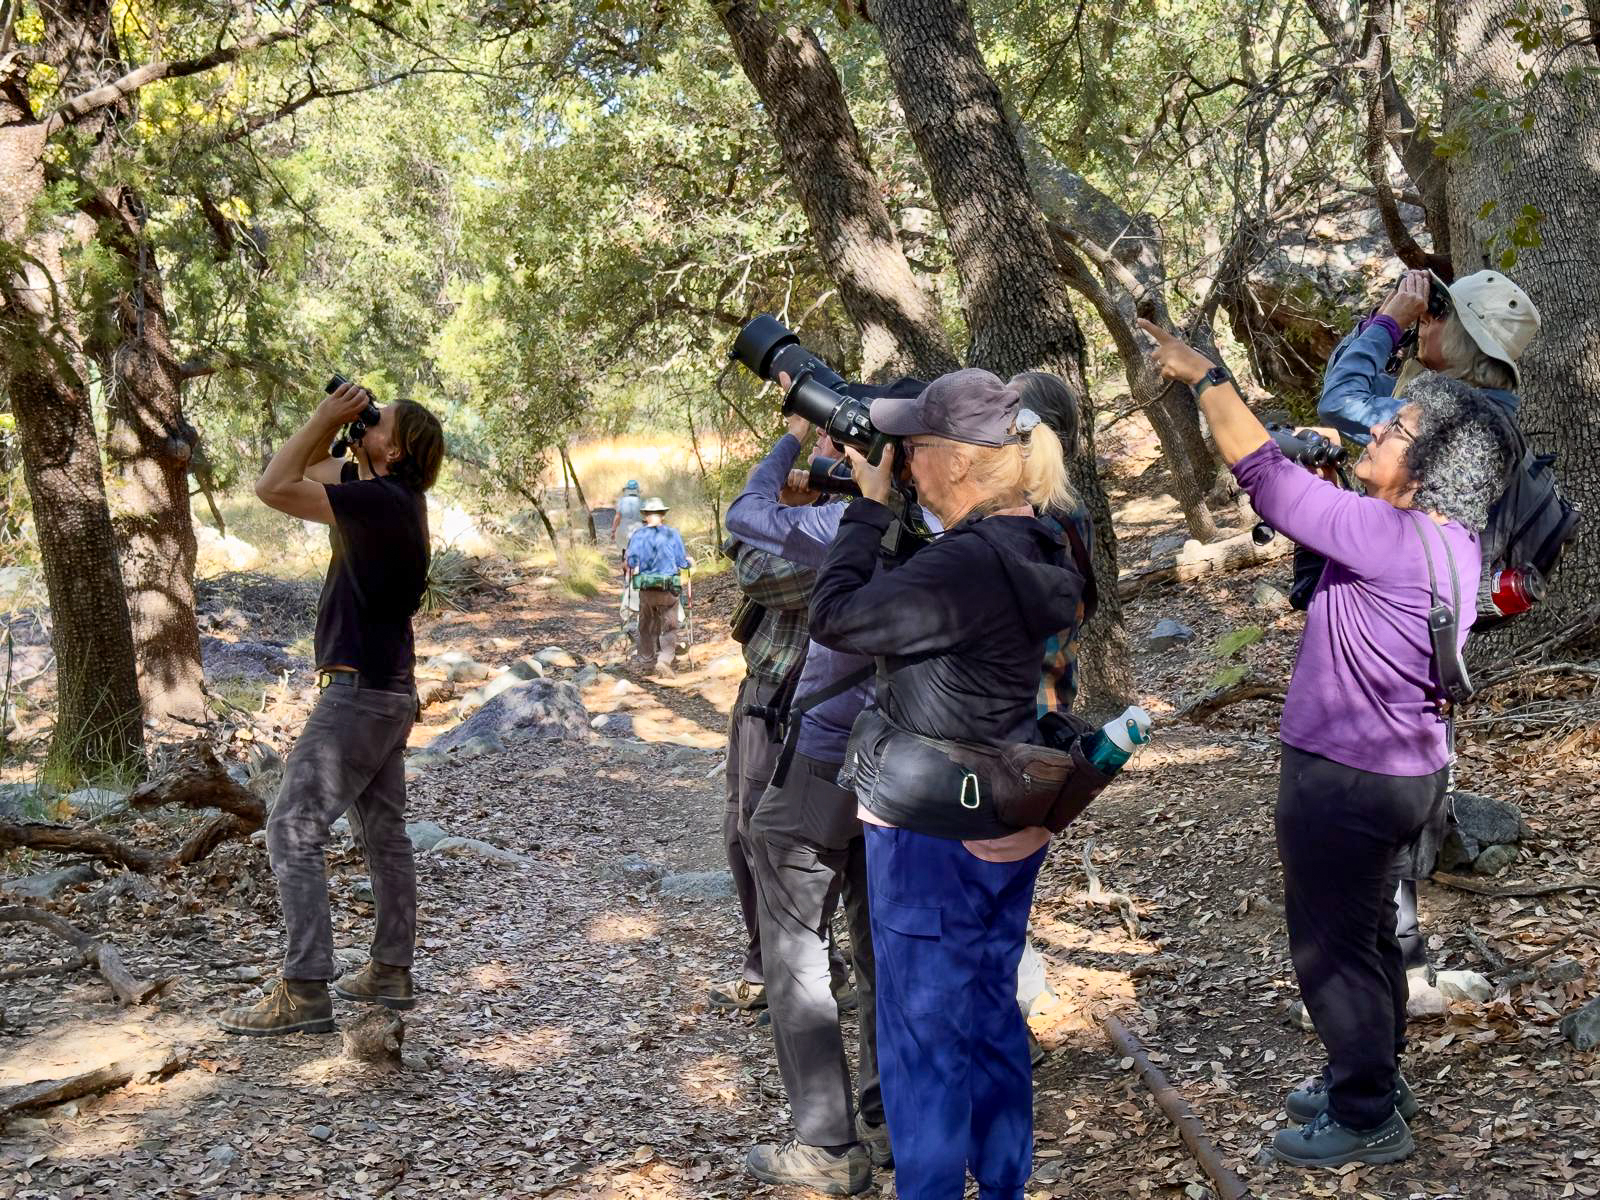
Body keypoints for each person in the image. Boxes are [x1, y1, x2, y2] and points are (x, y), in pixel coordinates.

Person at [1142, 318, 1514, 1168]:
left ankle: (1365, 1116)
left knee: (1332, 948)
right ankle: (1374, 1075)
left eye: (1401, 430)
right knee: (1371, 935)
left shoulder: (1388, 536)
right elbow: (1318, 527)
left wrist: (1205, 377)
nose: (1380, 427)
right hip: (1404, 773)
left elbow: (1264, 478)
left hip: (1345, 779)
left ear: (1430, 470)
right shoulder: (1445, 538)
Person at [807, 368, 1083, 1200]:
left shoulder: (964, 566)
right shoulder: (1044, 540)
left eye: (918, 448)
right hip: (1010, 815)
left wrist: (864, 507)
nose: (906, 462)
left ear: (961, 462)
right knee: (992, 1017)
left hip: (932, 829)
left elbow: (838, 618)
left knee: (921, 1039)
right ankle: (1002, 1185)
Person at [1316, 267, 1539, 984]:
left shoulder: (1441, 405)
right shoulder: (1498, 410)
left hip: (1392, 617)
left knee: (1369, 803)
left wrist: (1386, 320)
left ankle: (1380, 990)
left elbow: (1342, 398)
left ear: (1466, 335)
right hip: (1441, 622)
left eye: (1438, 312)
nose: (1427, 321)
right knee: (1411, 783)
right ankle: (1403, 971)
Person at [221, 380, 445, 1036]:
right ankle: (390, 969)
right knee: (383, 833)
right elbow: (310, 467)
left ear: (397, 449)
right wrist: (346, 426)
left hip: (357, 697)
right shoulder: (390, 498)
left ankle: (305, 988)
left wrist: (326, 415)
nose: (368, 422)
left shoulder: (379, 502)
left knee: (292, 826)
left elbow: (272, 485)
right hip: (388, 691)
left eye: (381, 421)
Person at [709, 539, 817, 1012]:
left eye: (831, 457)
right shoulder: (805, 520)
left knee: (765, 839)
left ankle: (783, 973)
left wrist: (776, 513)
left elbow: (756, 572)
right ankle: (771, 968)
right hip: (758, 693)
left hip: (786, 700)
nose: (815, 461)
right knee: (739, 836)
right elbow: (734, 536)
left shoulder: (842, 526)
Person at [1319, 267, 1539, 440]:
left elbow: (1337, 403)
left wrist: (1388, 326)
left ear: (1466, 341)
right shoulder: (1443, 396)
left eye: (1440, 311)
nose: (1424, 317)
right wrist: (1375, 323)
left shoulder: (1456, 419)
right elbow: (1338, 383)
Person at [623, 497, 691, 675]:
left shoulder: (638, 535)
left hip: (647, 588)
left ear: (645, 516)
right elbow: (682, 562)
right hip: (668, 587)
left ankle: (646, 661)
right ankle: (665, 659)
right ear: (663, 515)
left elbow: (631, 561)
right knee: (670, 624)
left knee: (646, 624)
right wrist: (687, 564)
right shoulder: (672, 534)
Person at [612, 479, 644, 550]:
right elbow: (645, 518)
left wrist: (613, 530)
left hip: (624, 529)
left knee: (625, 550)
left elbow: (618, 517)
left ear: (626, 490)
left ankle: (624, 559)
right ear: (637, 490)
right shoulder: (641, 502)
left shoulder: (622, 501)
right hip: (638, 529)